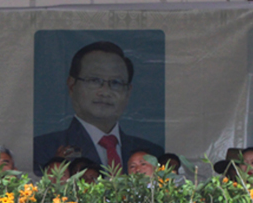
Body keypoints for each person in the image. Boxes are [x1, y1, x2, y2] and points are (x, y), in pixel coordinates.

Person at [33, 41, 162, 174]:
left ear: (128, 92)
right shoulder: (42, 150)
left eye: (116, 83)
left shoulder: (153, 153)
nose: (105, 92)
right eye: (94, 80)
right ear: (72, 85)